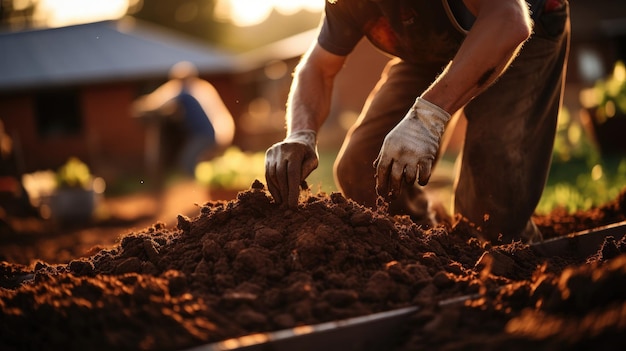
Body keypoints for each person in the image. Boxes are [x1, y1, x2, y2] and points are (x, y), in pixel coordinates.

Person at [265, 0, 569, 244]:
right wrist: (301, 134)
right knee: (362, 169)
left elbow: (508, 20)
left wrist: (428, 117)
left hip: (523, 25)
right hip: (429, 49)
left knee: (490, 215)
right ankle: (427, 247)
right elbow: (317, 68)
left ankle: (527, 269)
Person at [132, 61, 235, 176]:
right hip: (216, 133)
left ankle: (198, 188)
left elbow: (158, 101)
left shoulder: (186, 91)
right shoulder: (202, 87)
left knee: (188, 162)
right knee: (204, 161)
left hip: (207, 135)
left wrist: (141, 105)